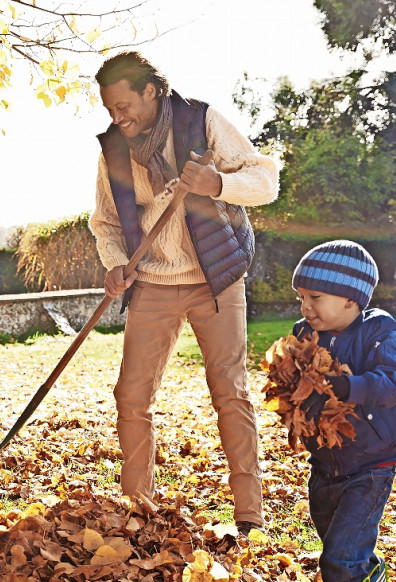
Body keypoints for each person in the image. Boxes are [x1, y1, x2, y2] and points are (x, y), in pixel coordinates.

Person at [86, 51, 278, 534]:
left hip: (216, 278)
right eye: (111, 108)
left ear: (152, 91)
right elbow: (106, 223)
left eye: (125, 104)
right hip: (152, 281)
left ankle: (250, 514)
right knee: (131, 396)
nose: (119, 116)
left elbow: (266, 180)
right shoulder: (114, 149)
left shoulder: (201, 121)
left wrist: (218, 182)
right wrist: (114, 264)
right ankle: (136, 508)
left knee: (229, 391)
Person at [288, 240, 396, 582]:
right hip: (325, 463)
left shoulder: (379, 330)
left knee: (339, 556)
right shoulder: (306, 334)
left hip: (372, 463)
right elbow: (295, 379)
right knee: (342, 547)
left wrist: (350, 387)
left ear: (350, 298)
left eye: (315, 298)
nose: (305, 307)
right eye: (301, 297)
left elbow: (394, 381)